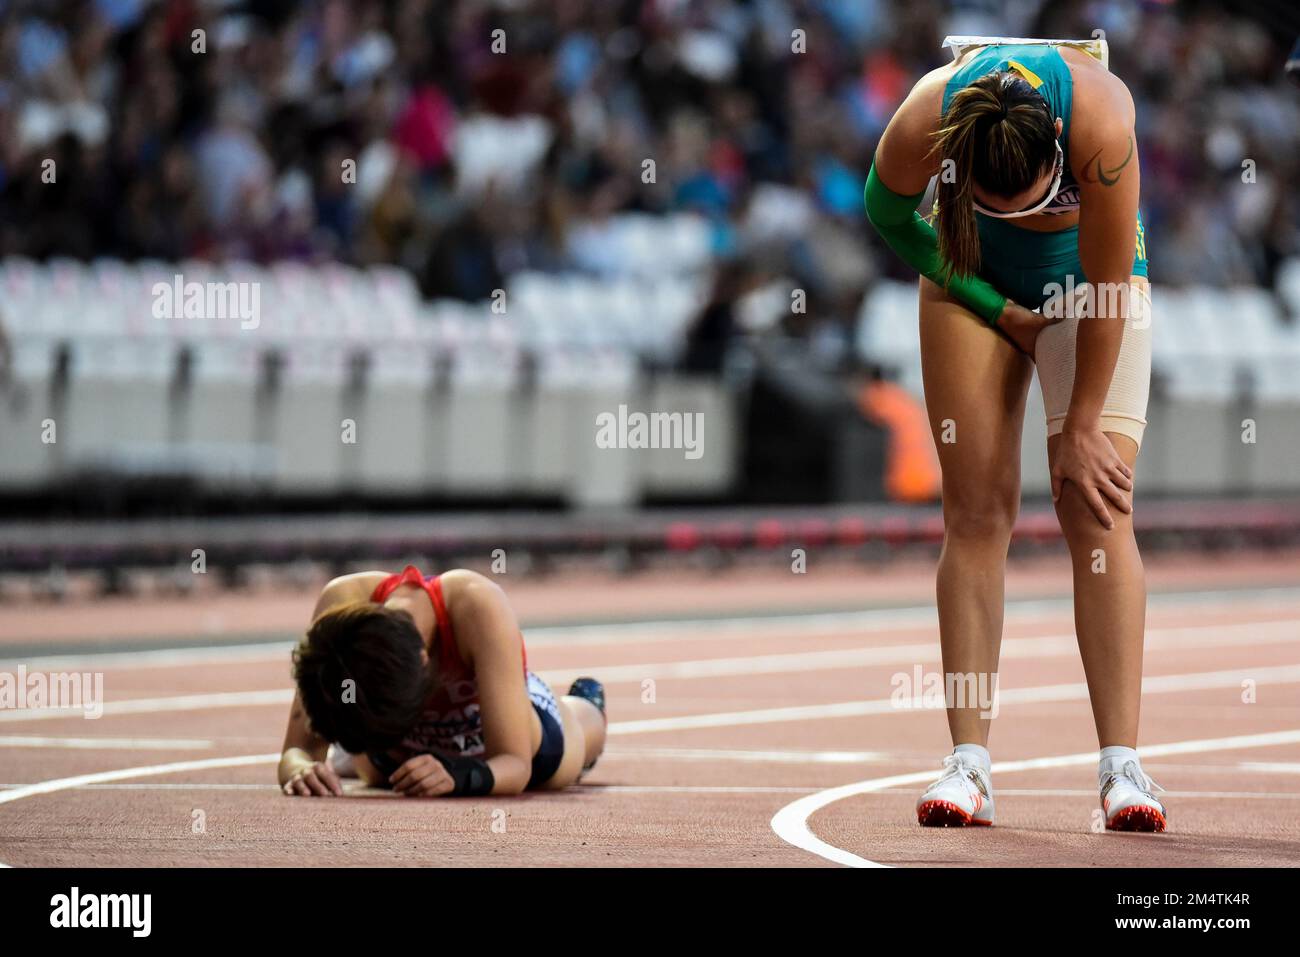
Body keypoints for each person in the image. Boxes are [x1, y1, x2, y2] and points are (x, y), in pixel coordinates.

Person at [864, 37, 1164, 831]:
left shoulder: (1102, 121)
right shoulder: (926, 115)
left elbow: (1107, 289)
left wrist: (1083, 425)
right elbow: (886, 212)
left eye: (1029, 200)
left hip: (1087, 283)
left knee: (1097, 505)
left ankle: (1122, 766)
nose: (1017, 214)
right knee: (974, 511)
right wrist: (995, 306)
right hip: (974, 278)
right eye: (997, 202)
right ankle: (969, 763)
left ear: (1057, 155)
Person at [278, 565, 606, 798]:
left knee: (572, 746)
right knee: (369, 770)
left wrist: (459, 776)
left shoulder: (476, 604)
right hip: (392, 758)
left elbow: (515, 764)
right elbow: (298, 750)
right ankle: (367, 751)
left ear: (427, 663)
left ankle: (586, 705)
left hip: (512, 743)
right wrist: (300, 768)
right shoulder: (339, 609)